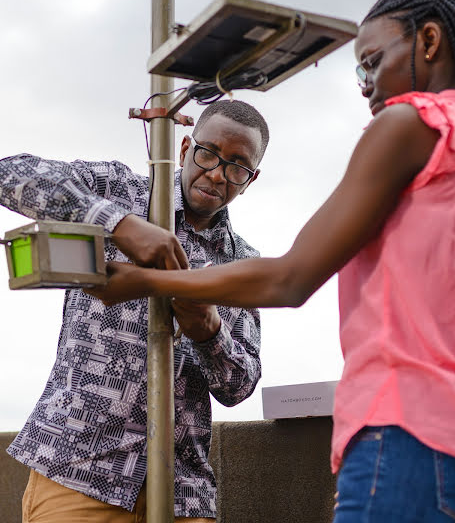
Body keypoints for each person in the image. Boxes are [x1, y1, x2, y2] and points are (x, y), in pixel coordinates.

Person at [89, 0, 455, 522]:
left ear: (430, 42)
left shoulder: (409, 124)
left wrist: (145, 281)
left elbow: (289, 279)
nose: (364, 84)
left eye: (371, 61)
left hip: (406, 430)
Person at [0, 98, 269, 523]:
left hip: (184, 491)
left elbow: (240, 386)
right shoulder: (119, 190)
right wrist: (119, 223)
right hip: (79, 468)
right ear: (184, 148)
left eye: (237, 166)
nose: (217, 173)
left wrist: (208, 329)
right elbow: (9, 173)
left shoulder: (243, 264)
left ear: (250, 179)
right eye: (208, 154)